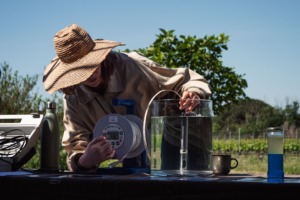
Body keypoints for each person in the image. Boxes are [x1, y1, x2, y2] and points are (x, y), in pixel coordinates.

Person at [43, 24, 211, 172]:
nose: (90, 74)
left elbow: (184, 79)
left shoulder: (134, 66)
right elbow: (75, 145)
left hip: (176, 140)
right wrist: (84, 161)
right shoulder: (73, 99)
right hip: (126, 164)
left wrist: (193, 92)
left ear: (100, 56)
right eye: (80, 71)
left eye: (91, 64)